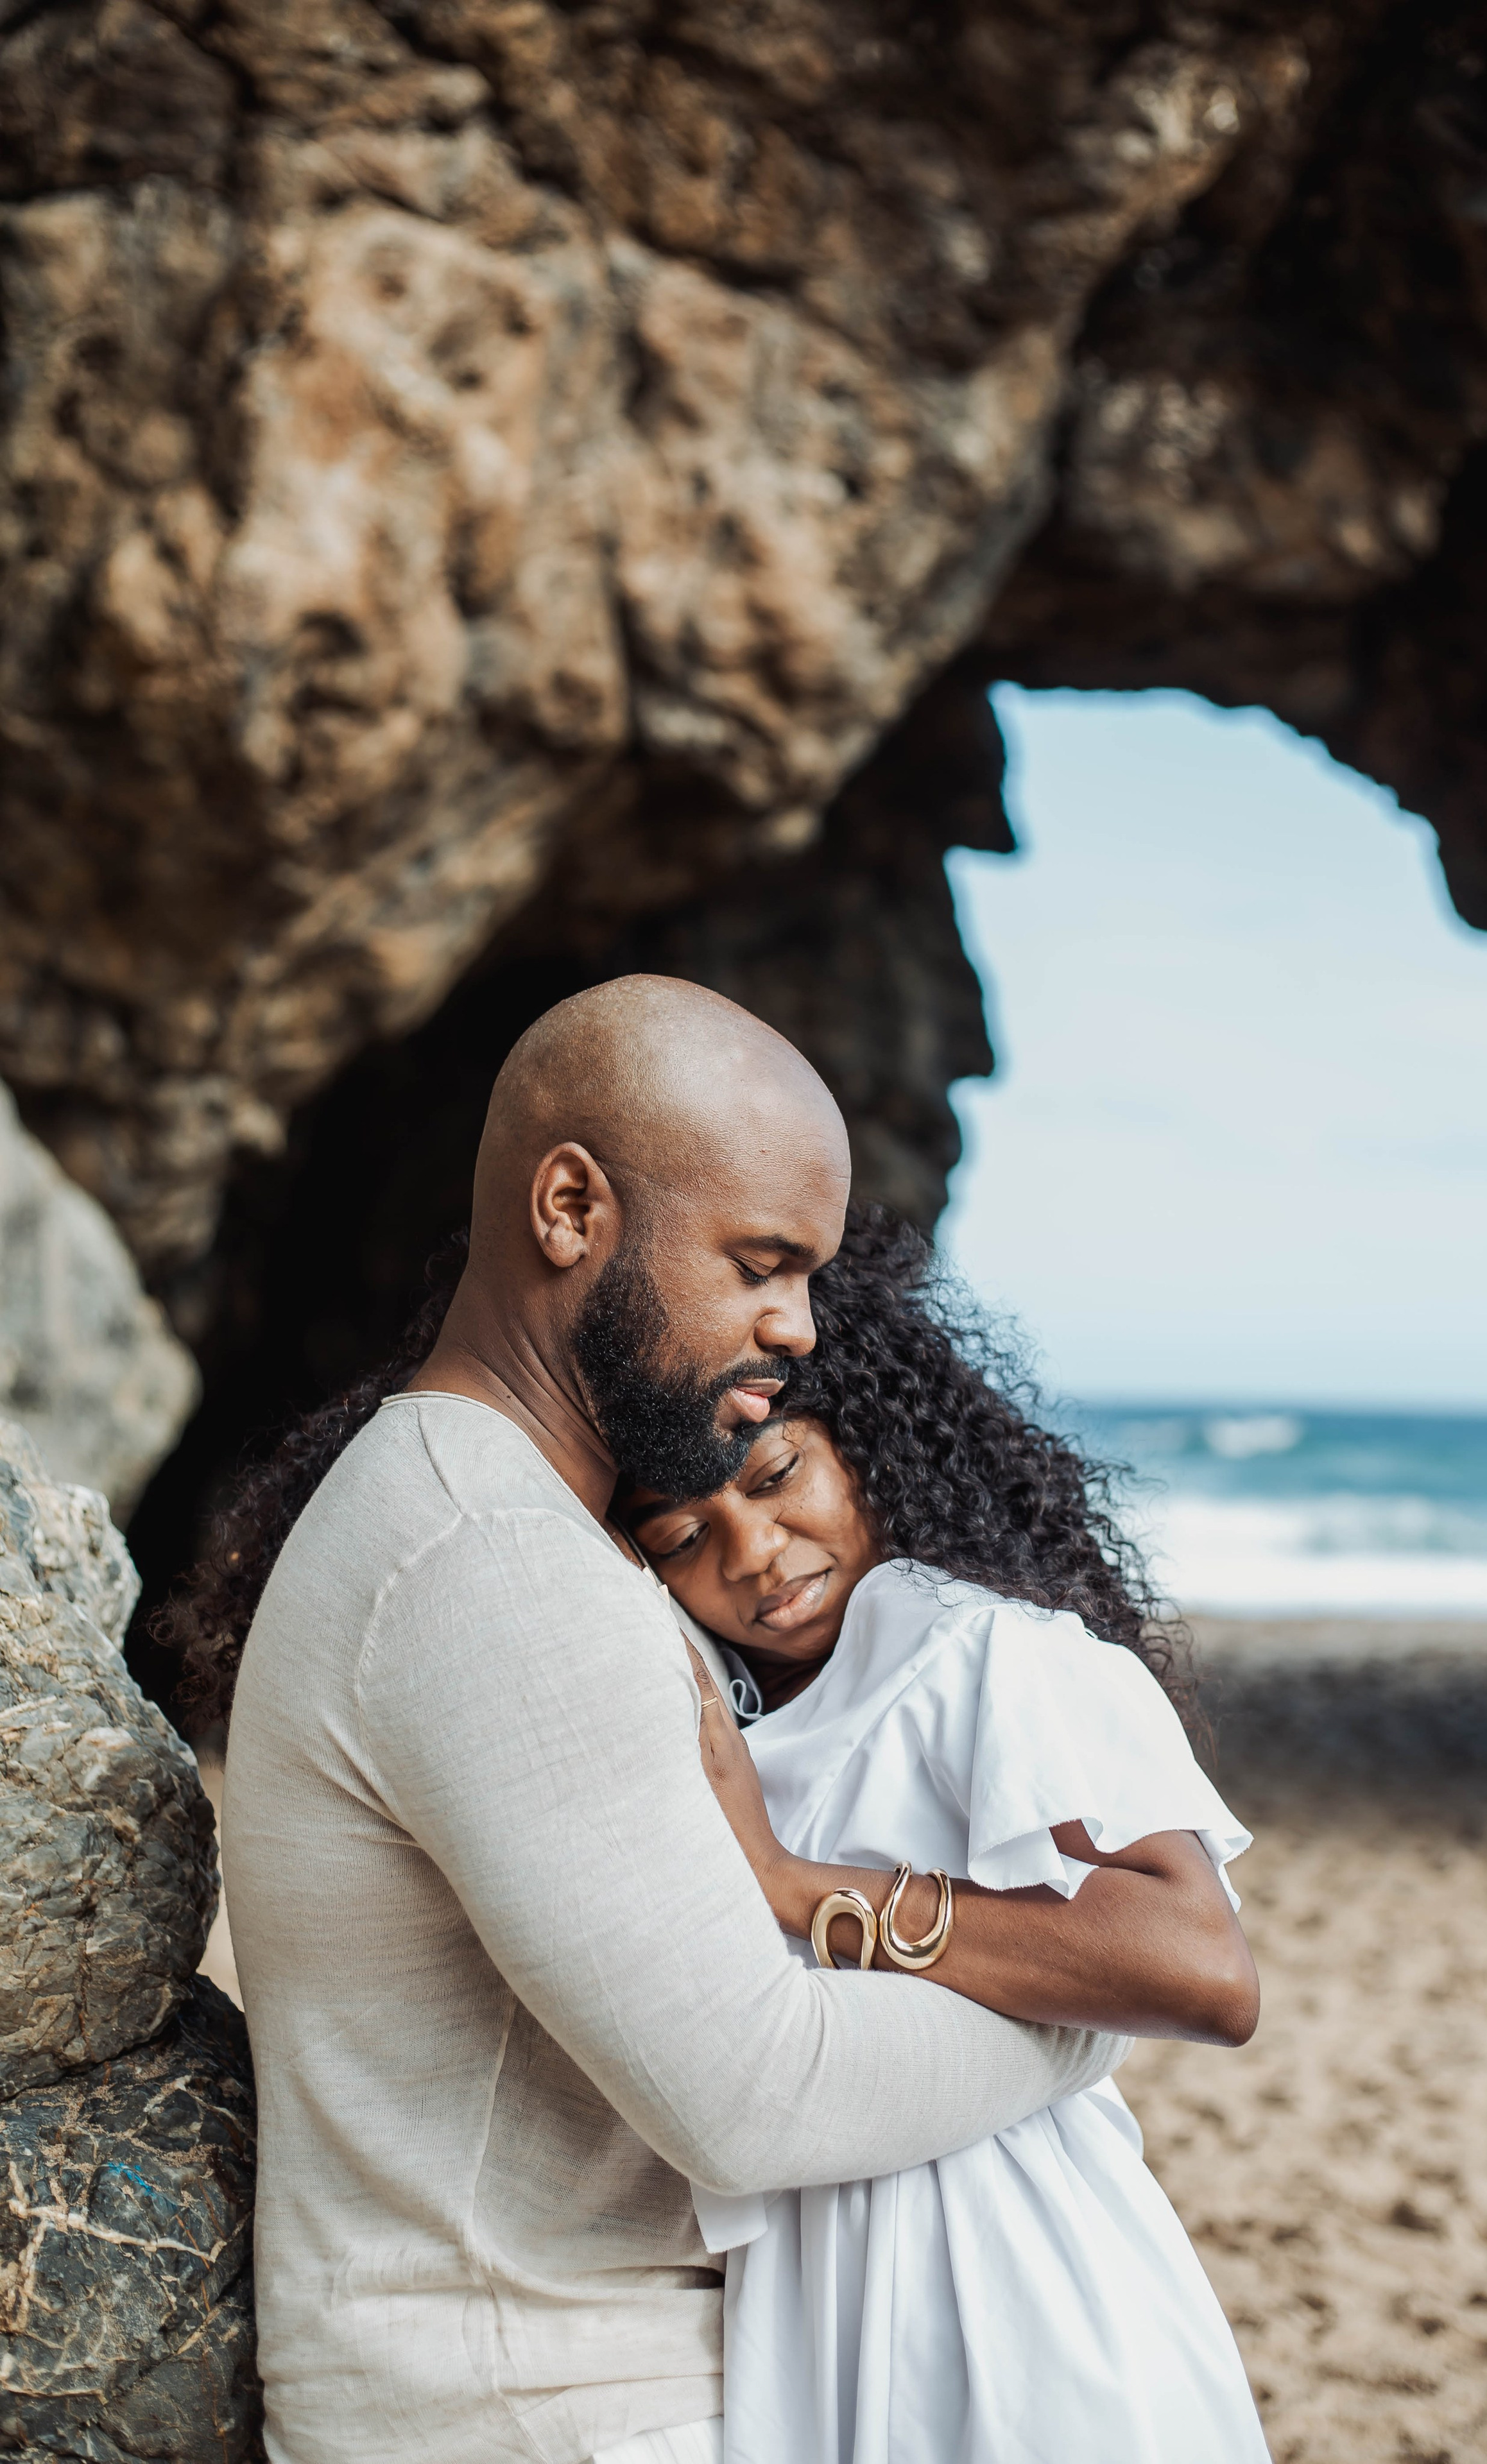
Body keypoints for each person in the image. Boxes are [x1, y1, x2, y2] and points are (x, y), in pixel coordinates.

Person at [167, 978, 1132, 2464]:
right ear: (570, 1209)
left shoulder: (500, 1523)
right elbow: (758, 2094)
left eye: (808, 1277)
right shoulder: (485, 1558)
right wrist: (1091, 2014)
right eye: (760, 1263)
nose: (794, 1327)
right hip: (540, 2413)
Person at [619, 1207, 1269, 2464]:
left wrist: (793, 1886)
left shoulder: (982, 1652)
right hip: (808, 2311)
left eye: (776, 1477)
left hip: (1016, 2292)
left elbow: (1200, 1964)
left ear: (861, 1441)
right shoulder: (733, 1719)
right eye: (680, 1538)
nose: (752, 1553)